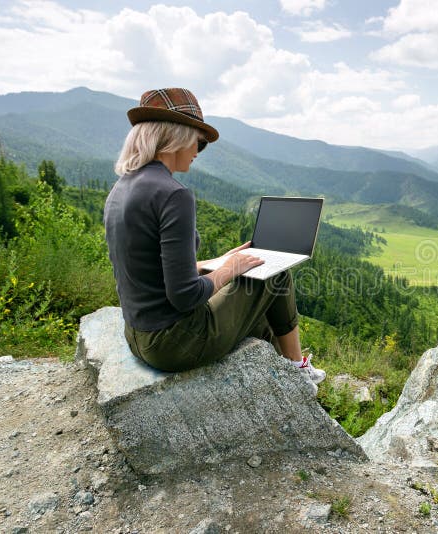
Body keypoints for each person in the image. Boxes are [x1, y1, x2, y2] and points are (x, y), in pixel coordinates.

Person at [103, 87, 325, 390]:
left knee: (254, 305)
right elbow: (184, 296)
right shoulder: (173, 195)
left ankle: (284, 377)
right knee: (275, 277)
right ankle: (299, 371)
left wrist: (215, 263)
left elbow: (148, 267)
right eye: (199, 141)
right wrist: (228, 270)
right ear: (176, 137)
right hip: (175, 343)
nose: (199, 150)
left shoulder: (122, 188)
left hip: (139, 335)